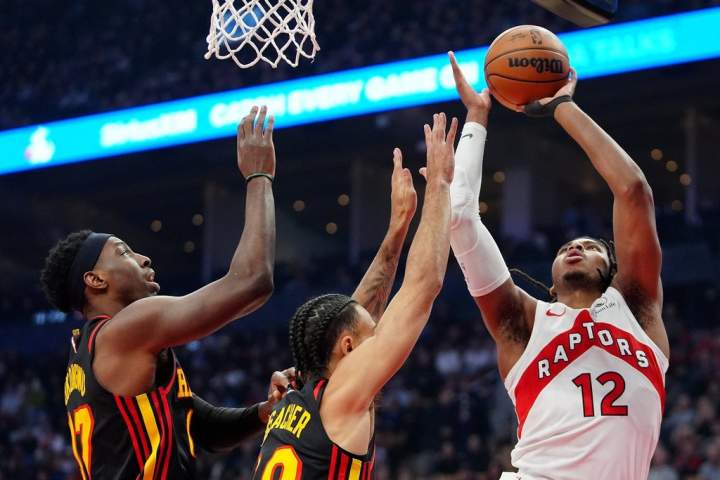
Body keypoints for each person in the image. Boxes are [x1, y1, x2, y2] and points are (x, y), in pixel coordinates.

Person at [446, 51, 670, 479]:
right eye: (567, 246)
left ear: (612, 269)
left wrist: (562, 106)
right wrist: (476, 118)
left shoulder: (637, 309)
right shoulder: (523, 321)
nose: (576, 248)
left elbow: (633, 191)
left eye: (591, 246)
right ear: (551, 280)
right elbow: (460, 219)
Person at [42, 106, 292, 479]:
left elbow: (203, 428)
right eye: (124, 252)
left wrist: (264, 412)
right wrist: (259, 176)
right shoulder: (125, 329)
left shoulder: (89, 351)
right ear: (95, 280)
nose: (143, 258)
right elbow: (252, 280)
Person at [253, 112, 458, 479]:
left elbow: (350, 314)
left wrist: (397, 229)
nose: (380, 331)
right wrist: (440, 185)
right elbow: (423, 285)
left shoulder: (297, 397)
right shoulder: (340, 397)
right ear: (347, 347)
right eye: (373, 332)